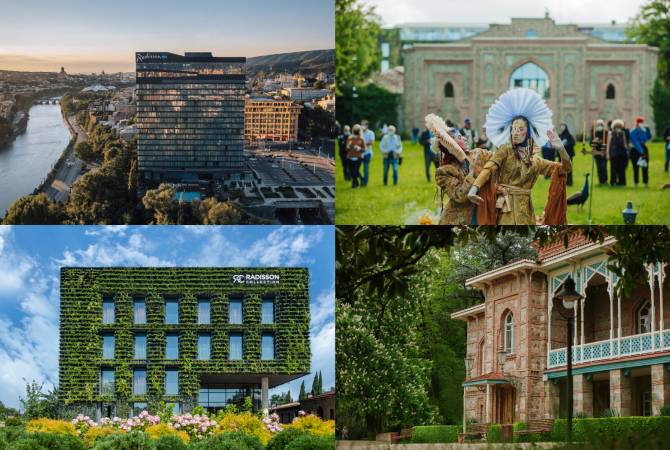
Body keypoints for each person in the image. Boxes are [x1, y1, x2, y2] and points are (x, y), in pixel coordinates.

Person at [467, 88, 572, 225]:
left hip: (526, 213)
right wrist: (474, 189)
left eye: (520, 129)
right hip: (505, 210)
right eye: (513, 129)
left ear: (528, 132)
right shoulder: (505, 150)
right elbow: (488, 169)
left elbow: (564, 169)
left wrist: (561, 149)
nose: (515, 133)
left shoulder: (536, 160)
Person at [426, 114, 487, 224]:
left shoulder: (478, 153)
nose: (464, 138)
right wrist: (470, 168)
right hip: (460, 220)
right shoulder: (444, 172)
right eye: (459, 137)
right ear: (450, 146)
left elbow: (497, 159)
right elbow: (460, 196)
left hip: (484, 212)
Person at [630, 116, 652, 186]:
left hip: (643, 147)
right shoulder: (633, 131)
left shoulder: (644, 130)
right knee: (636, 167)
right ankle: (636, 182)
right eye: (640, 123)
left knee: (644, 166)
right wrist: (641, 151)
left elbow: (648, 137)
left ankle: (645, 182)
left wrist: (648, 129)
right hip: (635, 150)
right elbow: (635, 141)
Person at [606, 119, 628, 186]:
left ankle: (621, 182)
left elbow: (624, 143)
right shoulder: (610, 133)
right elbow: (608, 144)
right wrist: (607, 154)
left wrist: (626, 151)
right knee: (613, 168)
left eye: (619, 126)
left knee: (621, 168)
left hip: (621, 153)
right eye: (617, 126)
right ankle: (613, 182)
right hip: (613, 153)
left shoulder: (623, 133)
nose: (618, 128)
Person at [589, 119, 608, 185]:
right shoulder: (594, 132)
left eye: (601, 125)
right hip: (597, 152)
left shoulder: (606, 132)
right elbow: (590, 143)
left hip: (604, 152)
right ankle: (600, 180)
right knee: (599, 167)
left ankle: (605, 180)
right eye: (599, 125)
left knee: (604, 166)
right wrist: (595, 142)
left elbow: (607, 141)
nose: (600, 126)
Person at [360, 120, 375, 187]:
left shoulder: (371, 133)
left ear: (367, 125)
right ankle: (362, 179)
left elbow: (371, 142)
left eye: (363, 125)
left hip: (367, 153)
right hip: (359, 153)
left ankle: (364, 183)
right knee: (356, 169)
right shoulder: (359, 133)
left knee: (365, 170)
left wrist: (362, 143)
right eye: (361, 124)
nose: (362, 126)